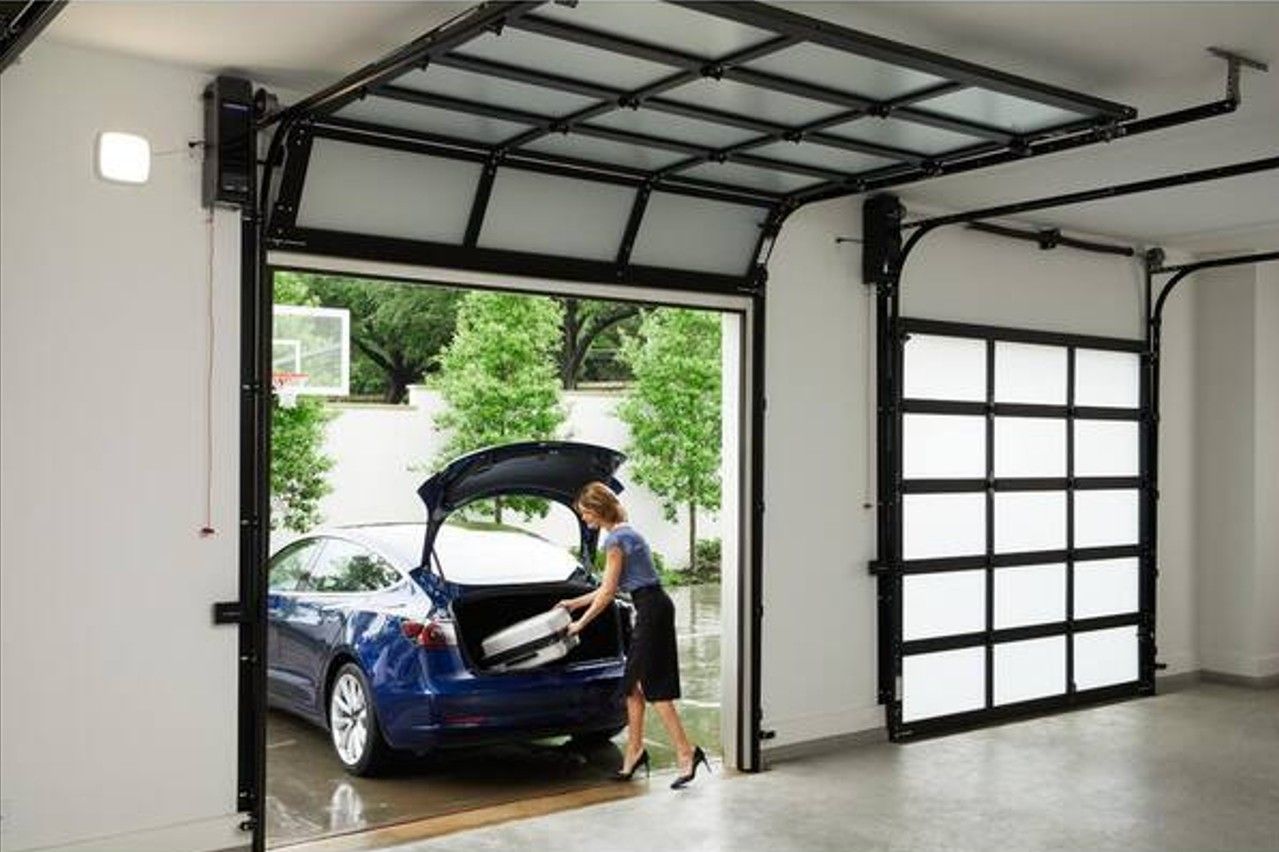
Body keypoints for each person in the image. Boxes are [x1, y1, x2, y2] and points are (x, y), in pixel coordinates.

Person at [558, 481, 709, 789]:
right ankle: (635, 751)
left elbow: (609, 592)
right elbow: (607, 588)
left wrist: (579, 623)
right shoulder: (628, 532)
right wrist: (573, 602)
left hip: (651, 610)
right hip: (655, 606)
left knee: (652, 687)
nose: (584, 519)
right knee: (633, 686)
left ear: (598, 510)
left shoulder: (615, 540)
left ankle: (686, 751)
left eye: (585, 513)